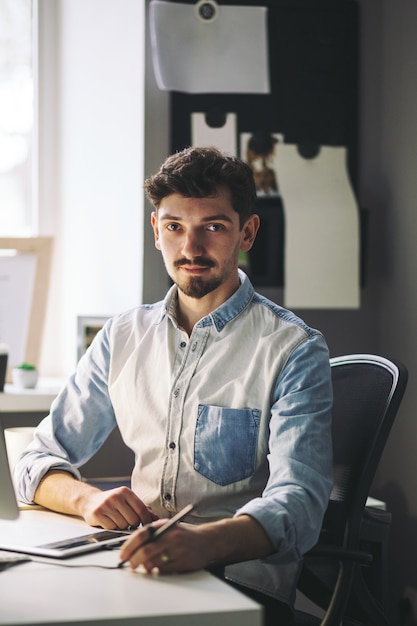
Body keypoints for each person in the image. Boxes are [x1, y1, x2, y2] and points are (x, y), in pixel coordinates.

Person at [15, 146, 333, 625]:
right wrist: (88, 499)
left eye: (214, 227)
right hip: (136, 569)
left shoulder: (293, 349)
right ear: (156, 230)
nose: (191, 248)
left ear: (246, 231)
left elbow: (301, 503)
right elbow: (35, 458)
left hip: (238, 586)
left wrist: (206, 542)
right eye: (174, 227)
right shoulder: (121, 336)